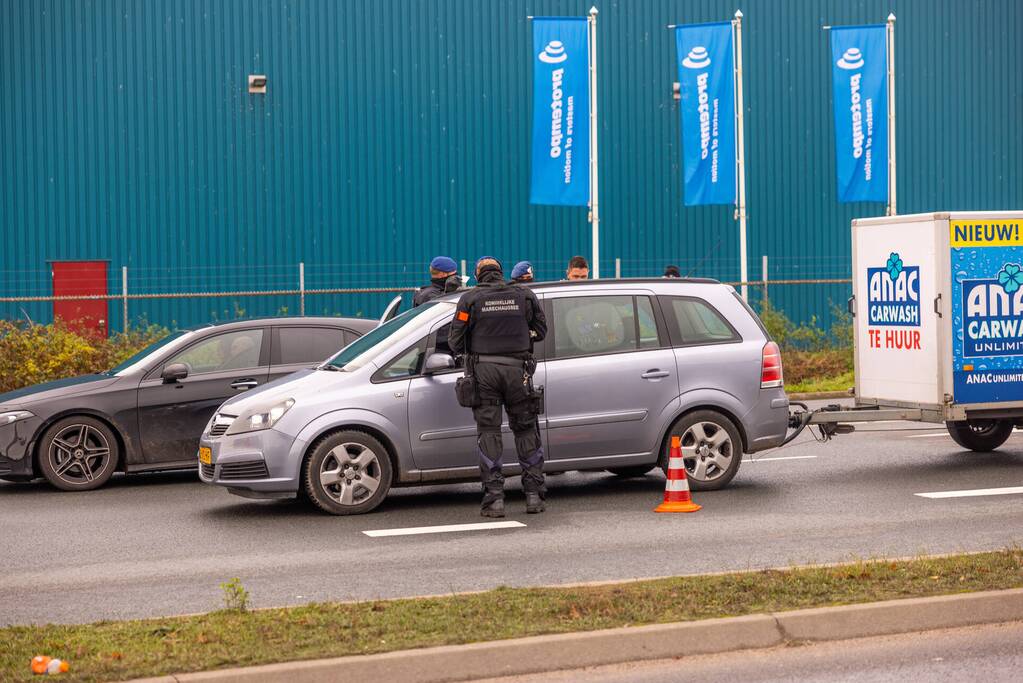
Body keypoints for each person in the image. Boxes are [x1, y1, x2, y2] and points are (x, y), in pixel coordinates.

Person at [449, 257, 548, 518]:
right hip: (519, 371)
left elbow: (455, 342)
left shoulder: (469, 300)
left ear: (478, 275)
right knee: (526, 430)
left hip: (485, 374)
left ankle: (494, 501)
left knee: (489, 433)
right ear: (501, 273)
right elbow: (541, 330)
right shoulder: (524, 296)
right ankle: (534, 496)